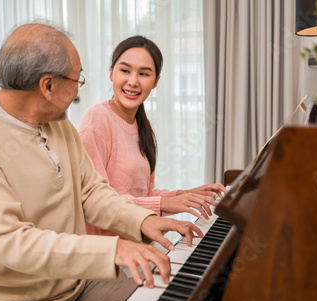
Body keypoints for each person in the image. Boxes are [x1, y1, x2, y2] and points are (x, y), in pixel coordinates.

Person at [0, 23, 203, 301]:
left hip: (76, 285)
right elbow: (11, 244)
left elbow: (92, 192)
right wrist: (112, 251)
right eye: (77, 78)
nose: (79, 88)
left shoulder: (58, 125)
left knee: (175, 297)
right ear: (47, 86)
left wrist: (143, 219)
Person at [78, 35, 226, 236]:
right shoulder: (97, 119)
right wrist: (166, 203)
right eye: (125, 70)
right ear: (111, 73)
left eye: (144, 74)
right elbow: (95, 202)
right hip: (111, 252)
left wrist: (184, 195)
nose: (133, 82)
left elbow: (143, 195)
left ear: (156, 81)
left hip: (139, 244)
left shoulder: (143, 126)